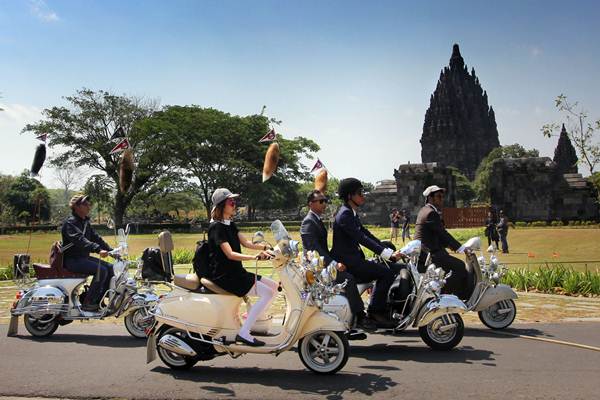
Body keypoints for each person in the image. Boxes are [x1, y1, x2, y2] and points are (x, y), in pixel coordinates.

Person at [331, 178, 408, 328]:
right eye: (359, 193)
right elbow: (362, 239)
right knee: (385, 273)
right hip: (348, 263)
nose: (363, 196)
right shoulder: (345, 215)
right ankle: (375, 312)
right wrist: (387, 255)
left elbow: (367, 234)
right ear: (349, 196)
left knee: (394, 269)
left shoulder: (351, 213)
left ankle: (388, 308)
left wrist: (389, 251)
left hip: (354, 259)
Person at [207, 188, 278, 347]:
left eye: (234, 202)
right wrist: (255, 258)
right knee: (267, 293)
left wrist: (266, 247)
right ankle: (244, 333)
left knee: (274, 287)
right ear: (221, 205)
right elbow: (230, 254)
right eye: (231, 202)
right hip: (226, 276)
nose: (234, 205)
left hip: (236, 272)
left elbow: (247, 243)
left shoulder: (230, 224)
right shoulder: (216, 227)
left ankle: (249, 318)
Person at [300, 190, 377, 331]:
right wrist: (334, 264)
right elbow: (315, 249)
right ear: (310, 204)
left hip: (322, 264)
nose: (324, 204)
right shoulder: (308, 222)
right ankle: (360, 316)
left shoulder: (316, 219)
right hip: (316, 268)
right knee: (348, 279)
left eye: (325, 201)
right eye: (321, 201)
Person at [414, 185, 471, 300]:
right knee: (460, 267)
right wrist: (461, 248)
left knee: (452, 265)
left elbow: (438, 235)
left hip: (429, 251)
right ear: (430, 197)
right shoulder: (431, 213)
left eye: (442, 196)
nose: (441, 199)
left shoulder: (425, 210)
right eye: (438, 196)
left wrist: (451, 246)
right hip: (430, 254)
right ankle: (444, 295)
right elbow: (442, 233)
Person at [61, 194, 114, 312]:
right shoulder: (71, 223)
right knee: (102, 270)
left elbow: (96, 238)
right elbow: (80, 240)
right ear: (76, 207)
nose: (89, 206)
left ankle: (99, 300)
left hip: (82, 258)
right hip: (73, 260)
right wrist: (98, 250)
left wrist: (111, 250)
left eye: (88, 204)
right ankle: (89, 302)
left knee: (110, 267)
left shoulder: (84, 222)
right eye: (85, 204)